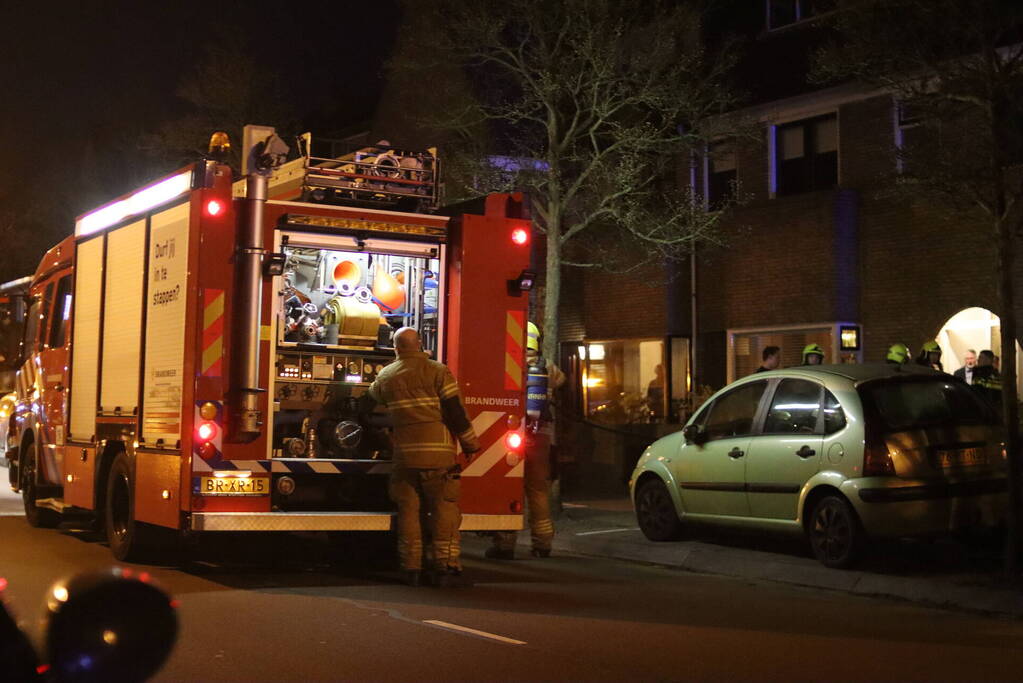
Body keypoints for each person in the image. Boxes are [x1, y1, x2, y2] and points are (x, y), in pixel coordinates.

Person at [364, 326, 480, 587]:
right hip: (438, 458)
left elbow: (367, 404)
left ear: (396, 348)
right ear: (420, 344)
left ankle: (411, 567)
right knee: (443, 510)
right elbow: (455, 411)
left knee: (408, 513)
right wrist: (470, 443)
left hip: (404, 459)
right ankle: (444, 565)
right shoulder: (438, 371)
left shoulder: (386, 375)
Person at [487, 321, 565, 560]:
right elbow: (561, 382)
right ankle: (542, 543)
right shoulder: (547, 368)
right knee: (538, 490)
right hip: (540, 435)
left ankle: (505, 544)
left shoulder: (510, 364)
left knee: (509, 488)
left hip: (513, 433)